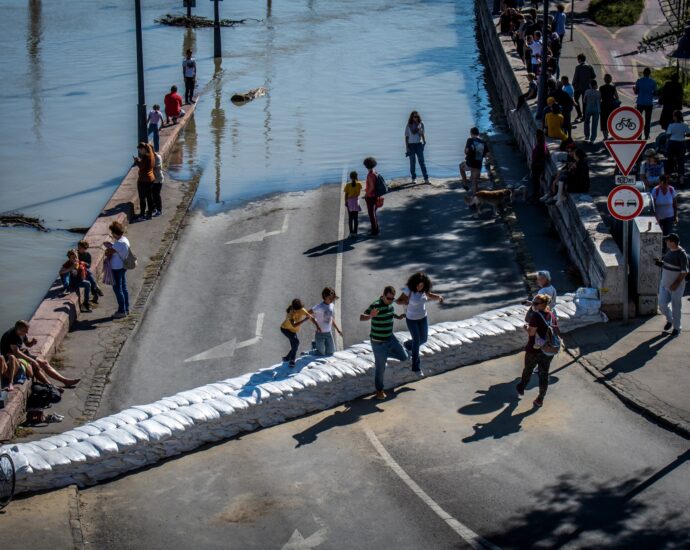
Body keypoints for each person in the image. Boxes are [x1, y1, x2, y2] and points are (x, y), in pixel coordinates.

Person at [1, 320, 80, 388]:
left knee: (44, 363)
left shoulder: (21, 333)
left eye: (27, 330)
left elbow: (27, 344)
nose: (27, 332)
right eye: (25, 331)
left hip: (20, 354)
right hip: (11, 359)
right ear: (19, 329)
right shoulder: (11, 336)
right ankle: (51, 386)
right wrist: (33, 361)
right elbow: (16, 353)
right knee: (36, 367)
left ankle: (64, 381)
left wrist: (32, 342)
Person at [360, 286, 407, 400]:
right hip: (378, 342)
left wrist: (398, 316)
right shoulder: (376, 305)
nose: (390, 301)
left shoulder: (390, 304)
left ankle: (384, 355)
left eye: (392, 299)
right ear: (383, 295)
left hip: (390, 338)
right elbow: (362, 317)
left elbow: (390, 313)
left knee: (404, 357)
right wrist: (371, 316)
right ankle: (379, 390)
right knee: (380, 369)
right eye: (388, 298)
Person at [396, 273, 443, 375]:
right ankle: (416, 367)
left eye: (422, 285)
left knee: (424, 339)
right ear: (414, 283)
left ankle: (408, 344)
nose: (420, 287)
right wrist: (405, 301)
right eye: (418, 285)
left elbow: (430, 295)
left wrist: (439, 297)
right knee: (417, 341)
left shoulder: (424, 290)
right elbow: (398, 301)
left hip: (423, 318)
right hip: (411, 319)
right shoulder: (408, 290)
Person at [516, 294, 559, 407]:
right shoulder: (551, 314)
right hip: (548, 349)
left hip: (534, 349)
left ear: (543, 304)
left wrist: (526, 327)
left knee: (528, 369)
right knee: (544, 373)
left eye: (535, 303)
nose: (533, 305)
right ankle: (540, 398)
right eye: (533, 302)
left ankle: (522, 387)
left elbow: (531, 332)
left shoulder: (536, 316)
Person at [656, 233, 688, 336]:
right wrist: (659, 263)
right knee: (662, 305)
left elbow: (684, 272)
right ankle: (670, 320)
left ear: (673, 243)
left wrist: (676, 284)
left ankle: (677, 328)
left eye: (667, 241)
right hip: (664, 284)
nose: (666, 242)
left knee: (676, 307)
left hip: (676, 287)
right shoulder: (670, 251)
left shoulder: (682, 254)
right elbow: (666, 264)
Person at [104, 221, 130, 319]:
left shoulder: (118, 243)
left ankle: (121, 311)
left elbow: (108, 253)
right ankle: (126, 308)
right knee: (123, 288)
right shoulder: (125, 240)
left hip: (117, 268)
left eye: (112, 233)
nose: (112, 235)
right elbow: (116, 249)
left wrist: (108, 247)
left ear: (115, 233)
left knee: (118, 289)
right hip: (123, 266)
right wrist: (111, 245)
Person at [280, 299, 317, 368]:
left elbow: (310, 317)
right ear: (293, 308)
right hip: (285, 329)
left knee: (295, 345)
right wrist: (304, 320)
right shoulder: (290, 313)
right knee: (296, 342)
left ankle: (287, 358)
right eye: (295, 310)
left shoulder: (302, 310)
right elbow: (294, 325)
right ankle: (292, 360)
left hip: (293, 331)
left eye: (298, 310)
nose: (297, 312)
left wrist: (317, 326)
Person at [308, 288, 343, 357]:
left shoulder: (332, 305)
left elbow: (330, 318)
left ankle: (316, 344)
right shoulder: (319, 307)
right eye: (330, 298)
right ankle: (314, 346)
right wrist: (316, 324)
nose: (332, 300)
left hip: (328, 333)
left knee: (330, 352)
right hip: (320, 333)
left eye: (333, 298)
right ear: (325, 297)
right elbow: (307, 314)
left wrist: (338, 330)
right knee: (321, 353)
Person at [460, 127, 489, 194]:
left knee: (461, 166)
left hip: (470, 163)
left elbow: (466, 151)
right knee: (474, 181)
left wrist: (467, 151)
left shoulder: (470, 140)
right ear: (478, 133)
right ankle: (475, 199)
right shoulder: (483, 142)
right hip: (478, 165)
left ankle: (465, 184)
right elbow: (488, 154)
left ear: (471, 133)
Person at [405, 111, 429, 185]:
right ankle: (414, 178)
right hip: (411, 145)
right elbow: (406, 137)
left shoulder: (421, 124)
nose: (416, 118)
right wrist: (407, 148)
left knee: (422, 162)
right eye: (414, 116)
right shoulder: (409, 125)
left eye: (417, 116)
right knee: (412, 163)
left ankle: (426, 178)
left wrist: (424, 141)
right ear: (411, 117)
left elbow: (422, 134)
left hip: (419, 144)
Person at [133, 142, 155, 220]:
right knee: (149, 197)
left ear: (143, 149)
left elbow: (141, 167)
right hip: (151, 178)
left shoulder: (146, 156)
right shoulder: (151, 154)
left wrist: (137, 161)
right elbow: (145, 165)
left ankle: (142, 214)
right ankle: (150, 213)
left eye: (140, 150)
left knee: (142, 198)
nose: (139, 152)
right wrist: (140, 161)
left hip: (143, 180)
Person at [77, 240, 104, 304]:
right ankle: (96, 288)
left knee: (89, 277)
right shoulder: (76, 254)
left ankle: (95, 293)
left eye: (80, 247)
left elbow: (89, 265)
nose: (78, 249)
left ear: (85, 248)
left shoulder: (87, 255)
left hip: (85, 270)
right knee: (90, 276)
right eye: (78, 247)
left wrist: (84, 263)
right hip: (78, 270)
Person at [634, 68, 657, 140]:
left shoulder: (639, 81)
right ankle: (647, 135)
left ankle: (639, 136)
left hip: (640, 102)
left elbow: (636, 92)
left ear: (643, 73)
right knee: (648, 120)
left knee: (639, 119)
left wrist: (634, 89)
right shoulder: (653, 82)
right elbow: (656, 92)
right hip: (649, 103)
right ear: (650, 73)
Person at [665, 110, 690, 178]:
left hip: (672, 144)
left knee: (670, 160)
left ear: (675, 117)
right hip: (681, 144)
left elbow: (668, 136)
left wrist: (666, 145)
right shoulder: (684, 125)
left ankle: (668, 176)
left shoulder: (671, 125)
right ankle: (681, 178)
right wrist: (683, 134)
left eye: (673, 116)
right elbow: (688, 134)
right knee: (681, 161)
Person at [572, 54, 596, 121]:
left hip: (578, 87)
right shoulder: (589, 67)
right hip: (587, 87)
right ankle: (584, 116)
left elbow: (575, 77)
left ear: (579, 59)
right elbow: (594, 76)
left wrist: (573, 85)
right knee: (584, 102)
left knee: (575, 100)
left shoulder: (578, 67)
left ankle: (579, 114)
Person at [530, 129, 549, 201]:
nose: (535, 136)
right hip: (537, 165)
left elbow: (539, 156)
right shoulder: (542, 144)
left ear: (539, 136)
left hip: (537, 165)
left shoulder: (540, 145)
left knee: (536, 182)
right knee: (536, 182)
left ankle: (535, 196)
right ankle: (535, 195)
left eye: (536, 135)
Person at [363, 157, 380, 236]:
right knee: (374, 213)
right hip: (376, 195)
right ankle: (376, 228)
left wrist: (366, 194)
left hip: (371, 196)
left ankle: (374, 231)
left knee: (371, 214)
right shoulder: (375, 172)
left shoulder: (370, 175)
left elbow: (372, 187)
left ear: (366, 166)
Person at [599, 74, 619, 140]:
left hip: (604, 106)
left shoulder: (601, 88)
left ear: (604, 80)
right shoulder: (613, 87)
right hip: (612, 106)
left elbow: (599, 98)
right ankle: (613, 135)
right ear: (610, 80)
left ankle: (605, 137)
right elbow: (617, 97)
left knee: (604, 121)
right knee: (612, 120)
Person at [344, 170, 362, 238]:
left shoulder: (348, 185)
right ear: (357, 176)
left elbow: (346, 195)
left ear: (350, 177)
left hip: (350, 202)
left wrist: (346, 202)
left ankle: (351, 233)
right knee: (356, 218)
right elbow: (359, 193)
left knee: (350, 218)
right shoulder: (359, 184)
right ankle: (355, 233)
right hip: (356, 202)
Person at [151, 150, 164, 217]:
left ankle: (159, 210)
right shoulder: (151, 156)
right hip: (153, 179)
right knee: (153, 195)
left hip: (158, 179)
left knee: (156, 195)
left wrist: (149, 167)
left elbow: (158, 167)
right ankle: (154, 209)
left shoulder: (157, 157)